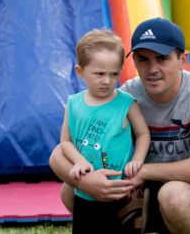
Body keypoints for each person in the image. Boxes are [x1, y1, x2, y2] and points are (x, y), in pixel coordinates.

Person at [49, 18, 190, 234]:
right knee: (72, 190)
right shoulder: (126, 97)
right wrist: (88, 183)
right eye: (143, 59)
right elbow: (58, 154)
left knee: (174, 196)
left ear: (183, 60)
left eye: (162, 58)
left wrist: (144, 171)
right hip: (153, 188)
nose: (152, 69)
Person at [59, 29, 150, 233]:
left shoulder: (126, 103)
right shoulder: (73, 104)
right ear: (80, 71)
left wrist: (138, 159)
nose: (107, 81)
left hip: (120, 192)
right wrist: (80, 162)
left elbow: (143, 134)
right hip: (85, 194)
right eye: (99, 74)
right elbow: (65, 141)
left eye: (114, 74)